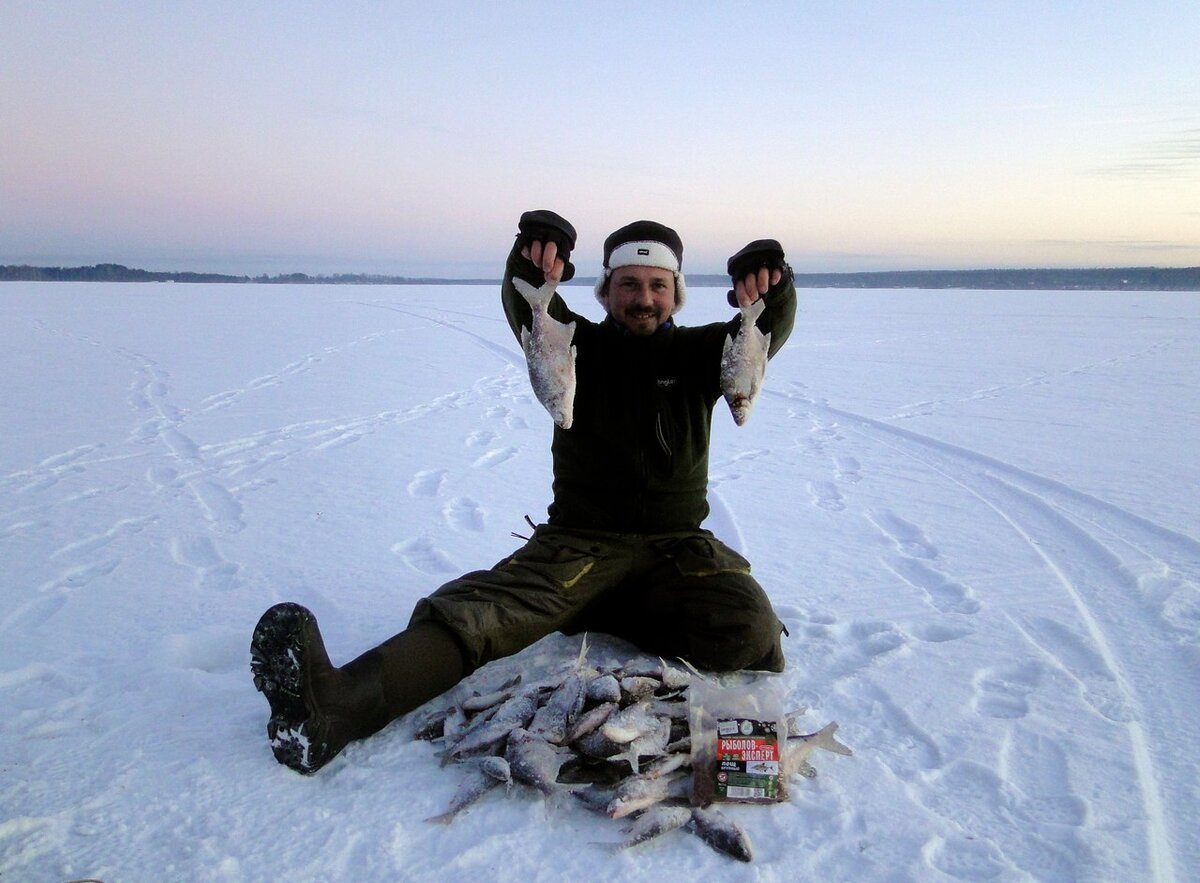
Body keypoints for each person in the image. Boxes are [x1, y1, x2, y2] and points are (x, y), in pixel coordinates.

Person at [250, 210, 797, 774]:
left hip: (678, 547)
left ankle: (600, 605)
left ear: (676, 295)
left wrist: (771, 282)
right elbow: (527, 297)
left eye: (658, 285)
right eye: (628, 284)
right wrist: (535, 253)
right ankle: (335, 708)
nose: (643, 298)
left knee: (751, 629)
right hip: (580, 541)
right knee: (481, 617)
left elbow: (766, 328)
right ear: (606, 291)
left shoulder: (704, 354)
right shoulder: (573, 342)